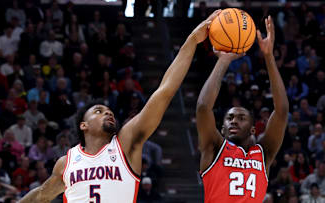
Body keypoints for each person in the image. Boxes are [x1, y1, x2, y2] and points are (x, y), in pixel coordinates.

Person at [19, 10, 222, 203]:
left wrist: (192, 40)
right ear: (83, 125)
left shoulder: (126, 143)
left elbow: (165, 90)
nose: (108, 112)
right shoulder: (66, 162)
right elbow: (42, 195)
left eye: (109, 111)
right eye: (98, 111)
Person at [196, 16, 289, 202]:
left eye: (241, 118)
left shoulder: (263, 154)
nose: (234, 121)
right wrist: (223, 60)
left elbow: (282, 111)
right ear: (221, 129)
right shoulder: (214, 148)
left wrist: (269, 57)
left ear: (253, 129)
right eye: (229, 118)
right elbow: (203, 108)